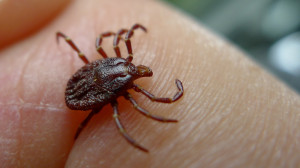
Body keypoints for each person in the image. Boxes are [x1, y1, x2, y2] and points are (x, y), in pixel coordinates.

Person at [0, 0, 299, 167]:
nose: (137, 69)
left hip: (85, 83)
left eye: (133, 68)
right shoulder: (123, 87)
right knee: (111, 114)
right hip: (83, 90)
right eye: (133, 70)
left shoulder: (119, 61)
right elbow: (155, 103)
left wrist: (131, 43)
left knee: (91, 50)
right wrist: (164, 107)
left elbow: (112, 38)